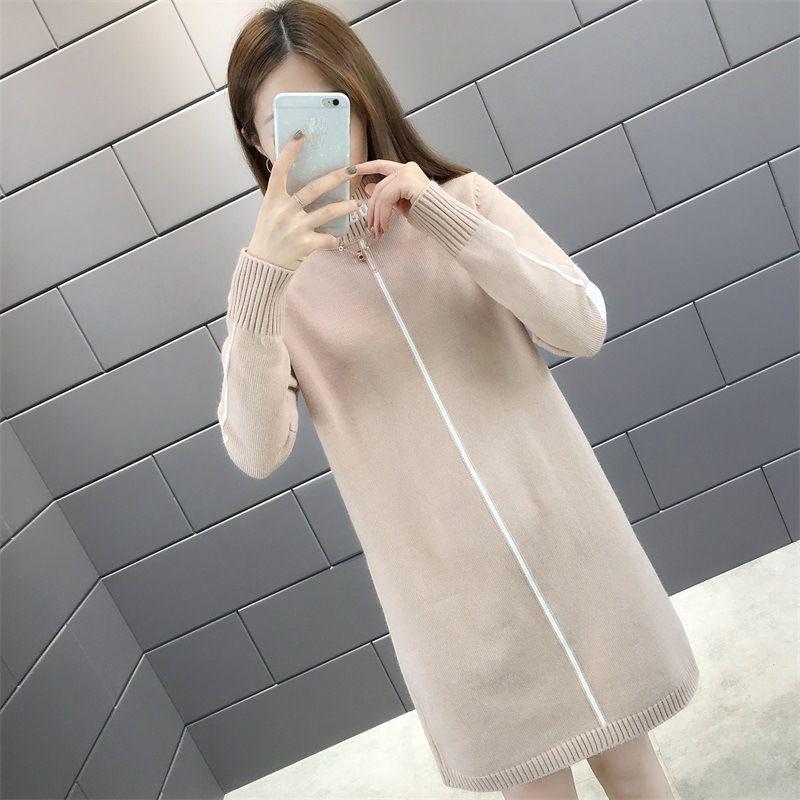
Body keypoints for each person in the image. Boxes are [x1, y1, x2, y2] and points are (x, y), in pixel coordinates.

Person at [220, 2, 700, 798]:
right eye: (285, 125)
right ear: (256, 139)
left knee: (631, 765)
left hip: (572, 553)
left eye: (331, 108)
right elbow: (255, 448)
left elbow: (581, 324)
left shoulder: (463, 203)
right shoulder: (273, 295)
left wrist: (441, 216)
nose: (314, 141)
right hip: (455, 613)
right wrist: (263, 286)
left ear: (364, 100)